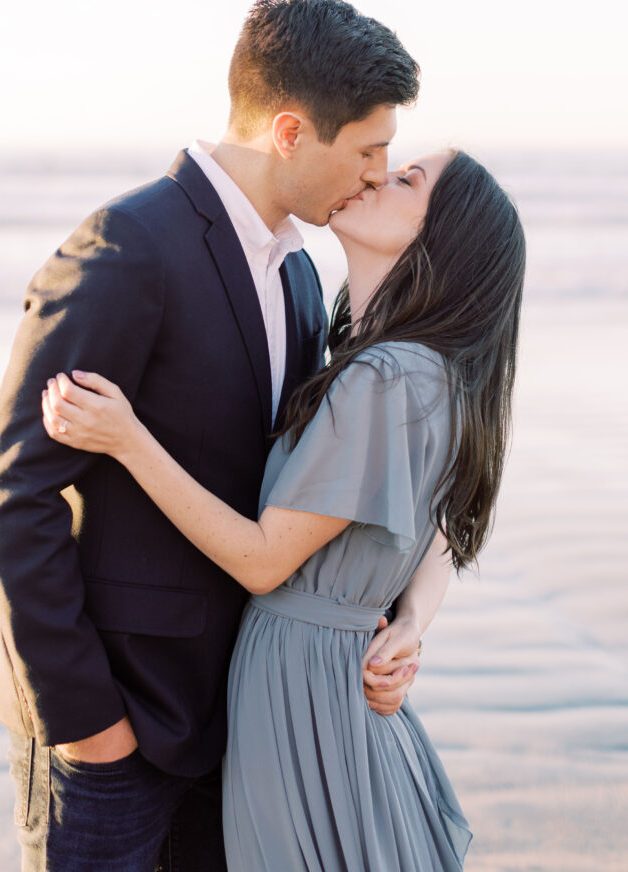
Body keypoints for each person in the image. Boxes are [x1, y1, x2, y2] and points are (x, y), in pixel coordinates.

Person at [0, 0, 427, 871]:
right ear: (291, 132)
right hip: (108, 732)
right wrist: (88, 723)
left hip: (229, 729)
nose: (376, 173)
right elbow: (13, 492)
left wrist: (396, 622)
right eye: (368, 150)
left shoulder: (297, 273)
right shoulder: (127, 245)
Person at [41, 148, 526, 871]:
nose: (374, 175)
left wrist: (127, 440)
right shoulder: (424, 367)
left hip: (306, 690)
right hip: (328, 682)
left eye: (404, 180)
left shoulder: (386, 376)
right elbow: (439, 535)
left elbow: (264, 560)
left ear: (441, 236)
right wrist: (412, 625)